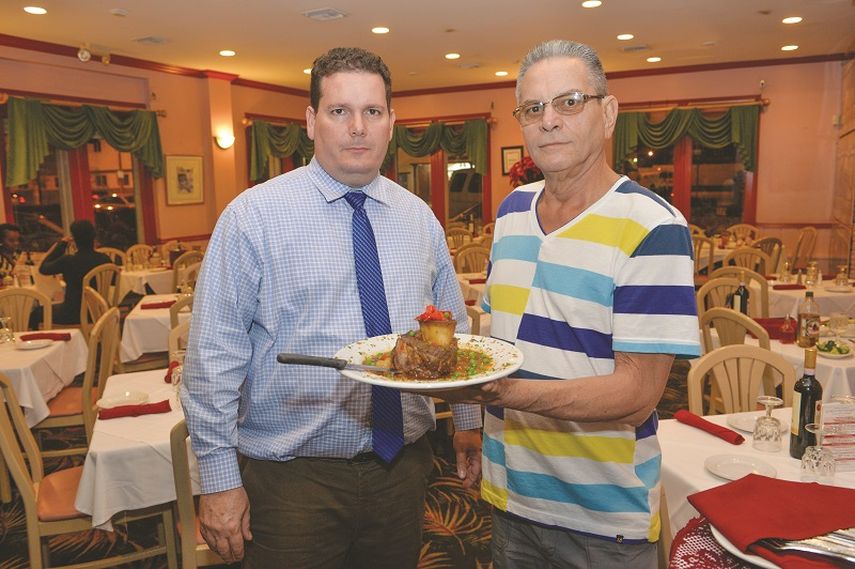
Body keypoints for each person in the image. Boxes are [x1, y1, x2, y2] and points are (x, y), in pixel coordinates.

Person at [181, 46, 482, 568]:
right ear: (311, 121)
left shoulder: (419, 219)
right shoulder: (254, 217)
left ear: (392, 123)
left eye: (372, 112)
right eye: (339, 111)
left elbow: (453, 337)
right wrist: (219, 479)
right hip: (293, 481)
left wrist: (469, 420)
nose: (358, 128)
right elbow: (212, 359)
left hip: (404, 469)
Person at [430, 40, 701, 568]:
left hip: (603, 520)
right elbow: (499, 341)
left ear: (609, 112)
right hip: (510, 501)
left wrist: (507, 393)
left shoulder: (652, 227)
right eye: (533, 109)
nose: (549, 121)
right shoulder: (511, 212)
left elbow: (639, 394)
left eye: (569, 102)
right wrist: (473, 418)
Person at [33, 220, 110, 326]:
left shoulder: (68, 260)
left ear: (74, 239)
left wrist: (62, 244)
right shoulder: (105, 259)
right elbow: (113, 280)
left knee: (36, 313)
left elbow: (43, 269)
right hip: (101, 310)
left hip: (72, 313)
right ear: (94, 237)